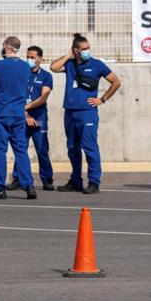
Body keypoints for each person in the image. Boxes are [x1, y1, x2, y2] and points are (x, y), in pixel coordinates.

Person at [50, 33, 122, 194]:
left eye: (88, 48)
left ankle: (94, 182)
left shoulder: (97, 65)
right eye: (83, 49)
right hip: (70, 112)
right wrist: (68, 55)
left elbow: (116, 82)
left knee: (89, 147)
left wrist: (102, 99)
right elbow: (53, 67)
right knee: (72, 148)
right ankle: (75, 180)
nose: (87, 51)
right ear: (75, 50)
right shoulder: (69, 64)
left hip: (87, 113)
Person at [0, 36, 37, 200]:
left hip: (2, 113)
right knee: (21, 150)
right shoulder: (25, 67)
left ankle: (0, 187)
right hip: (18, 114)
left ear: (7, 46)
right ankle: (29, 186)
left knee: (0, 151)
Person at [8, 45, 56, 191]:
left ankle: (47, 179)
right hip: (22, 117)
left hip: (39, 117)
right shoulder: (21, 73)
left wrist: (26, 109)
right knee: (20, 148)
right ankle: (18, 178)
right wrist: (25, 114)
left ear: (40, 59)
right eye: (27, 56)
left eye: (32, 57)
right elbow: (16, 96)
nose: (29, 59)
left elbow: (43, 98)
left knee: (42, 148)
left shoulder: (46, 76)